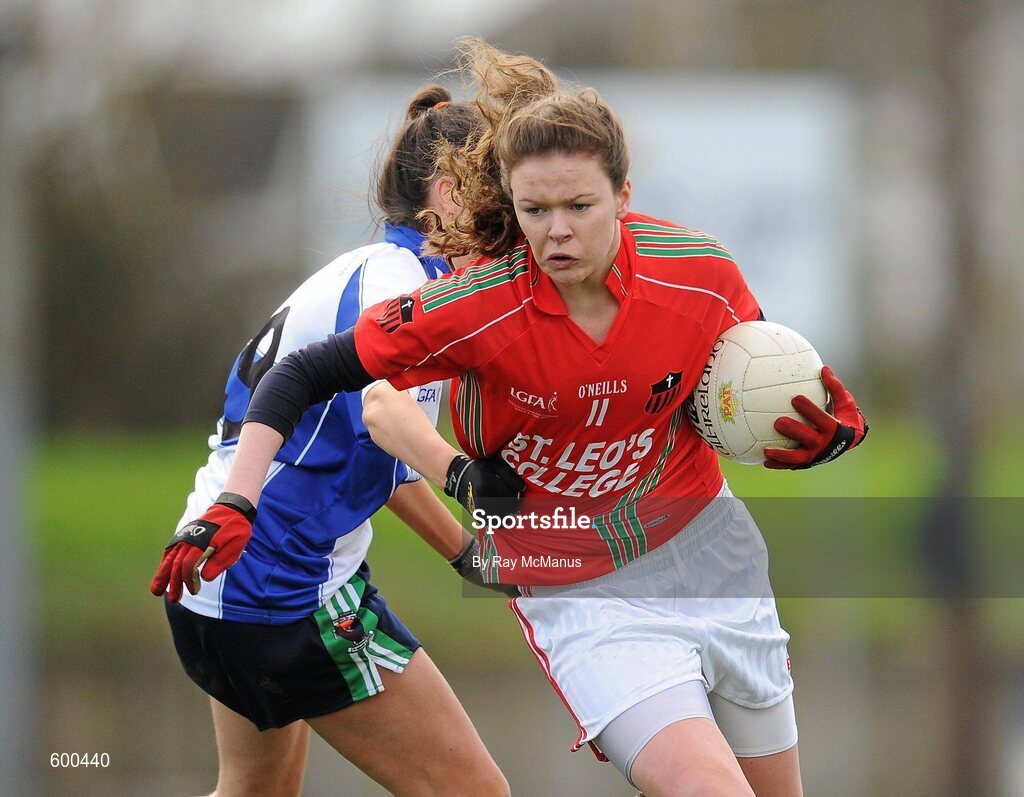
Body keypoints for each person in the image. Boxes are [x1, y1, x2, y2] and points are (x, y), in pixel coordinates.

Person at [178, 40, 869, 797]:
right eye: (529, 209)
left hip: (705, 555)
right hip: (444, 586)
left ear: (624, 195)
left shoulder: (694, 271)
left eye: (576, 206)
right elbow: (360, 400)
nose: (549, 230)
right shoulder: (448, 297)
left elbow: (761, 378)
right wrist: (455, 490)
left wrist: (829, 425)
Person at [149, 86, 510, 797]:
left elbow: (384, 462)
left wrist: (470, 556)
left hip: (215, 574)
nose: (516, 222)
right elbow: (385, 416)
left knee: (255, 791)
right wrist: (470, 483)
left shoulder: (368, 269)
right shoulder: (404, 289)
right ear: (447, 197)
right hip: (279, 586)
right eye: (501, 198)